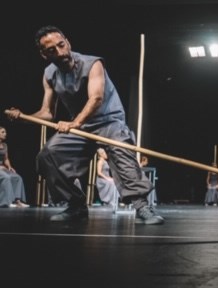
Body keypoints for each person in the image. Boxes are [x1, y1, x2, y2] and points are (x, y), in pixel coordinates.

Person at [6, 26, 163, 224]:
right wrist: (24, 117)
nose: (60, 52)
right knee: (48, 155)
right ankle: (76, 205)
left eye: (61, 45)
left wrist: (75, 123)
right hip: (80, 127)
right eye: (52, 50)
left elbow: (96, 98)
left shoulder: (92, 63)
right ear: (44, 54)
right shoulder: (49, 74)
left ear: (67, 42)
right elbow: (47, 113)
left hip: (109, 121)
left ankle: (142, 207)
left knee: (122, 153)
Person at [0, 126, 29, 208]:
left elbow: (6, 159)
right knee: (6, 177)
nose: (5, 134)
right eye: (3, 132)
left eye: (5, 132)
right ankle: (7, 201)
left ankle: (17, 201)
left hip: (2, 168)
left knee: (17, 177)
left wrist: (10, 167)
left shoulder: (5, 145)